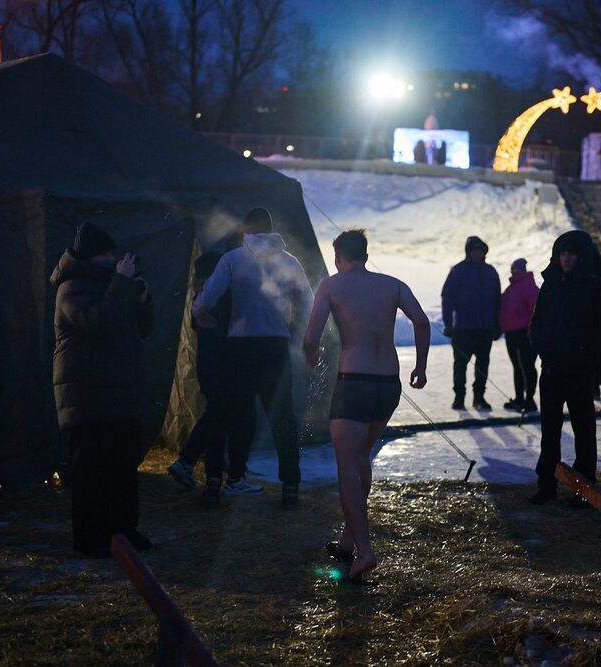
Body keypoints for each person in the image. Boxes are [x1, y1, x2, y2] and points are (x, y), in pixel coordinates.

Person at [303, 229, 430, 581]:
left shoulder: (332, 285)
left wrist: (310, 359)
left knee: (346, 466)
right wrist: (420, 366)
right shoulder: (393, 284)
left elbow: (311, 336)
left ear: (338, 255)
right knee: (361, 458)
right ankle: (348, 541)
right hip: (388, 385)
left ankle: (365, 550)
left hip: (355, 383)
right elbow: (421, 321)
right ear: (365, 253)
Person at [196, 207, 314, 510]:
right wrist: (300, 332)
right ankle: (290, 487)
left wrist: (202, 314)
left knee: (233, 415)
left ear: (246, 231)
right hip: (275, 346)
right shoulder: (288, 261)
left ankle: (219, 482)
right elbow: (307, 300)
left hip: (240, 346)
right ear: (272, 230)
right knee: (283, 418)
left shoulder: (233, 259)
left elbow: (207, 298)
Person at [52, 221, 154, 557]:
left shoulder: (110, 285)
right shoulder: (72, 289)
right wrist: (122, 283)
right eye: (105, 254)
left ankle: (124, 532)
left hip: (119, 393)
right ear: (90, 255)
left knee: (122, 469)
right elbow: (100, 322)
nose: (111, 260)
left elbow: (144, 328)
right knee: (91, 472)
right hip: (88, 396)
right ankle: (90, 538)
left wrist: (140, 299)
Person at [528, 231, 601, 507]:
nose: (566, 259)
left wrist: (588, 357)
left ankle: (583, 488)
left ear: (581, 256)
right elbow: (537, 323)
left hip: (579, 371)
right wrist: (543, 347)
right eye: (562, 254)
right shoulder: (551, 284)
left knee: (584, 430)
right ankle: (546, 485)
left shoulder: (596, 285)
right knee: (550, 430)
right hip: (553, 369)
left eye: (571, 254)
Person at [167, 250, 255, 507]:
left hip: (209, 367)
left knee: (217, 414)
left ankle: (190, 463)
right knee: (224, 417)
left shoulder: (202, 299)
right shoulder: (219, 298)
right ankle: (207, 472)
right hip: (224, 367)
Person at [441, 236, 501, 411]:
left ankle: (479, 398)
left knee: (482, 365)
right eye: (473, 250)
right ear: (468, 252)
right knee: (460, 365)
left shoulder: (491, 272)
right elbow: (447, 297)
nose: (476, 253)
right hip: (463, 330)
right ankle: (459, 398)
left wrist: (498, 325)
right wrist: (448, 324)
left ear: (484, 251)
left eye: (479, 249)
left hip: (485, 329)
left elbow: (498, 300)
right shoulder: (458, 271)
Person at [499, 258, 539, 413]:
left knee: (527, 367)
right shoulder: (512, 287)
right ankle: (519, 399)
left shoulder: (529, 286)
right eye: (514, 268)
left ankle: (530, 400)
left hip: (525, 333)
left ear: (524, 270)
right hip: (511, 333)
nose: (516, 271)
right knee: (517, 367)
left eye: (519, 269)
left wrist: (531, 330)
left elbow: (534, 310)